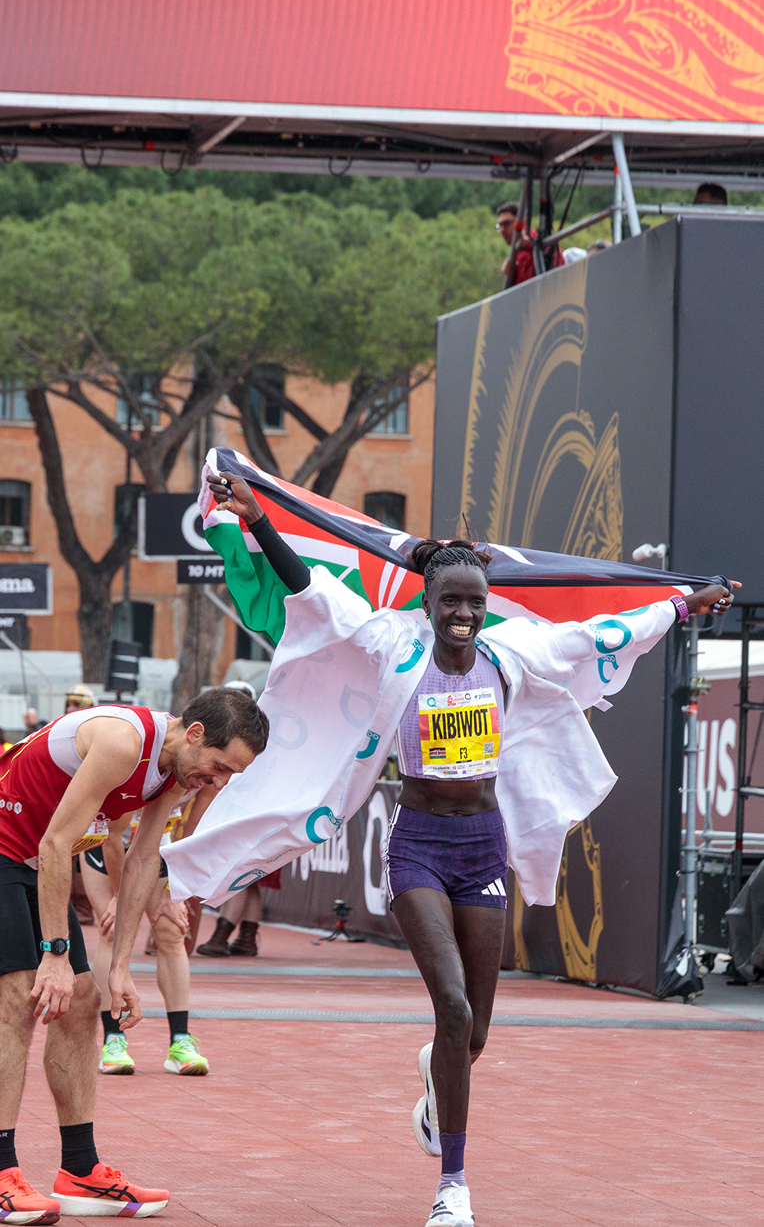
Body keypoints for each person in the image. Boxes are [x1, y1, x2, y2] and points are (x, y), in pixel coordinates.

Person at [197, 472, 737, 1227]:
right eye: (450, 600)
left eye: (474, 603)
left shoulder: (510, 655)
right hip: (418, 846)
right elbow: (313, 590)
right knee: (450, 1007)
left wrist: (682, 605)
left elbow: (601, 632)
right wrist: (257, 522)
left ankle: (436, 1076)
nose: (463, 614)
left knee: (472, 1032)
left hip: (484, 850)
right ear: (427, 599)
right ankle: (453, 1187)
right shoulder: (392, 643)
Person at [0, 687, 268, 1224]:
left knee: (81, 1002)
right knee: (18, 997)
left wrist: (120, 965)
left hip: (34, 861)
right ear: (194, 734)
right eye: (218, 767)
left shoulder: (177, 769)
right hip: (11, 852)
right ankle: (1, 1174)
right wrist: (55, 952)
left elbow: (145, 856)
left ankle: (79, 1169)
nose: (216, 782)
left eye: (231, 776)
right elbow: (57, 845)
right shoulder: (125, 741)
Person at [81, 802, 214, 1077]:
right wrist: (121, 899)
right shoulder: (140, 769)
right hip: (106, 840)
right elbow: (113, 840)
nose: (219, 778)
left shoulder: (208, 775)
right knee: (112, 931)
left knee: (171, 931)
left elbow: (181, 833)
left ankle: (180, 1041)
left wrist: (169, 891)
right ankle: (113, 1040)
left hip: (155, 845)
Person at [495, 201, 564, 287]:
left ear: (523, 221)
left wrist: (529, 245)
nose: (502, 230)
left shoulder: (543, 244)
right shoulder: (516, 254)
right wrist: (510, 274)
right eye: (499, 226)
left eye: (506, 223)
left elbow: (557, 269)